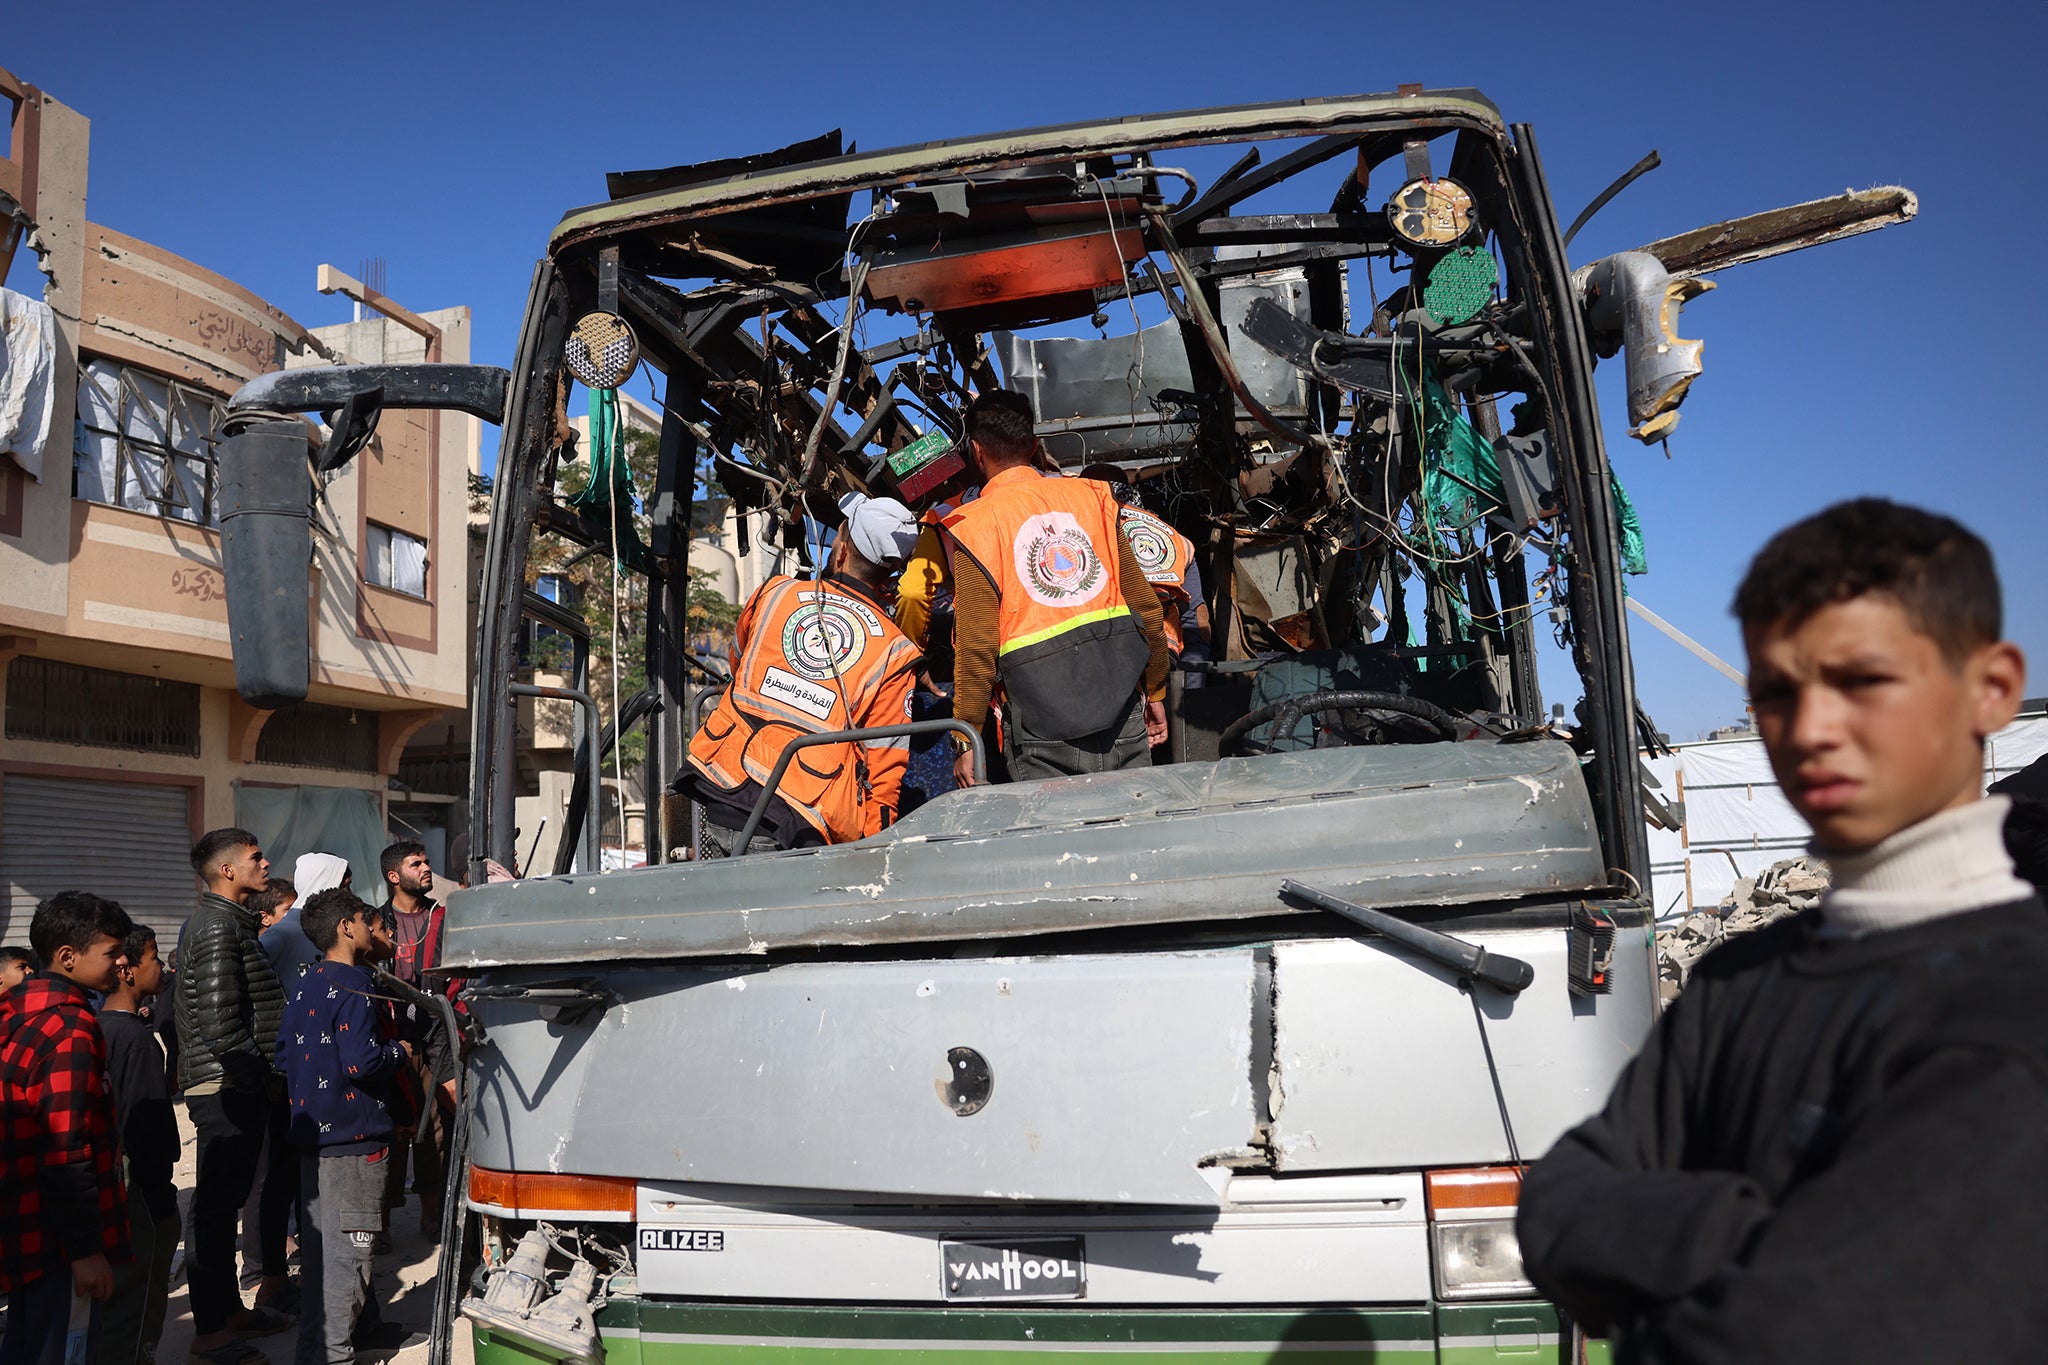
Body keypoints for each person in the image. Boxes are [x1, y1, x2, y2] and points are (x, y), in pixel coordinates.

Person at [1516, 499, 2047, 1363]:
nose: (1809, 731)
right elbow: (1555, 1206)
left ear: (1992, 687)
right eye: (1775, 692)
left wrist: (1657, 1270)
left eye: (1862, 680)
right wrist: (1747, 1235)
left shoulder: (2012, 1019)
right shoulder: (1740, 978)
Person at [675, 492, 924, 854]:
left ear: (840, 550)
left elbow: (738, 664)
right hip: (800, 821)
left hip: (721, 788)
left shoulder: (774, 593)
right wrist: (872, 850)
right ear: (891, 574)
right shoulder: (895, 652)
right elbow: (884, 767)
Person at [941, 391, 1170, 785]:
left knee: (1061, 841)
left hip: (1040, 724)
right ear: (1033, 446)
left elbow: (977, 647)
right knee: (1134, 832)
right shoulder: (1094, 498)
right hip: (1121, 704)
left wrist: (966, 741)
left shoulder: (973, 526)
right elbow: (1146, 606)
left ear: (976, 452)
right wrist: (1157, 689)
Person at [277, 888, 421, 1364]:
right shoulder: (356, 986)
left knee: (323, 1258)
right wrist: (401, 1052)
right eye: (365, 919)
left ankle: (320, 1351)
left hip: (315, 1139)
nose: (372, 927)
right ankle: (331, 1356)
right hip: (353, 1144)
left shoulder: (306, 982)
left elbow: (284, 1055)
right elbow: (361, 1062)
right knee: (347, 1261)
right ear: (346, 927)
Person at [0, 892, 133, 1365]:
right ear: (67, 957)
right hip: (56, 1243)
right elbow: (66, 1146)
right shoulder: (70, 1028)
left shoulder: (16, 1011)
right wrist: (85, 1251)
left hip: (25, 1225)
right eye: (112, 951)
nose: (123, 962)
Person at [175, 828, 293, 1359]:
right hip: (227, 1084)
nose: (265, 863)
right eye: (255, 857)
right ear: (227, 870)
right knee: (214, 1210)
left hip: (238, 1082)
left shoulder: (231, 924)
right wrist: (260, 1080)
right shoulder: (218, 928)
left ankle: (230, 1313)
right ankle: (211, 1332)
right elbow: (222, 1025)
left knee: (222, 1207)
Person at [95, 924, 178, 1365]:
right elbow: (142, 1125)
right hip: (143, 1192)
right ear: (126, 970)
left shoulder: (98, 1029)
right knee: (139, 1299)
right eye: (153, 956)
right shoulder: (136, 1040)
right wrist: (158, 1196)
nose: (161, 966)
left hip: (120, 1187)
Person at [1079, 464, 1210, 685]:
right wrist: (1193, 692)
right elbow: (1197, 620)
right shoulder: (1177, 540)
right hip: (1163, 657)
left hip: (1104, 662)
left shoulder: (1081, 531)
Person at [376, 841, 449, 1238]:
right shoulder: (375, 920)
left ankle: (430, 1215)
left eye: (426, 860)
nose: (425, 868)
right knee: (389, 1130)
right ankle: (382, 1221)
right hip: (388, 1038)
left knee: (432, 1129)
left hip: (432, 1036)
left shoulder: (441, 916)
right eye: (415, 863)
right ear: (394, 876)